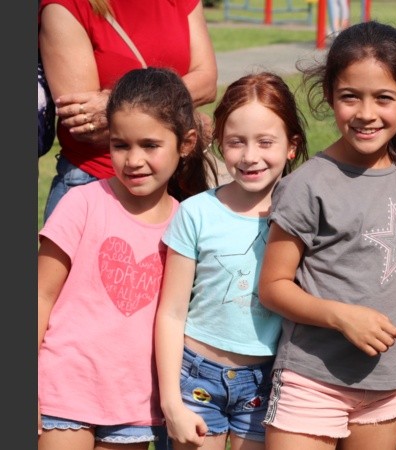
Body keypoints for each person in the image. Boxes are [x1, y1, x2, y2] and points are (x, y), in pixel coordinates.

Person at [257, 20, 396, 450]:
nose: (366, 113)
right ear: (330, 95)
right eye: (350, 96)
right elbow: (273, 287)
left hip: (387, 387)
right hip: (311, 382)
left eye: (384, 98)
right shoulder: (308, 185)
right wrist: (341, 316)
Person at [38, 67, 214, 450]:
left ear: (186, 143)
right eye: (121, 145)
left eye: (149, 145)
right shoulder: (81, 203)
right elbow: (40, 295)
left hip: (134, 404)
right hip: (62, 389)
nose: (133, 160)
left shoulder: (187, 223)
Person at [154, 72, 309, 450]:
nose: (250, 156)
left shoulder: (303, 216)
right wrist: (171, 402)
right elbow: (171, 312)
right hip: (195, 378)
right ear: (220, 143)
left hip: (265, 381)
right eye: (237, 141)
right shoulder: (196, 213)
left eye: (265, 142)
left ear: (292, 146)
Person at [38, 0, 219, 223]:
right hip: (95, 183)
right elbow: (86, 125)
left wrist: (116, 101)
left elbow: (207, 82)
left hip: (174, 184)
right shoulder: (68, 6)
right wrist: (181, 118)